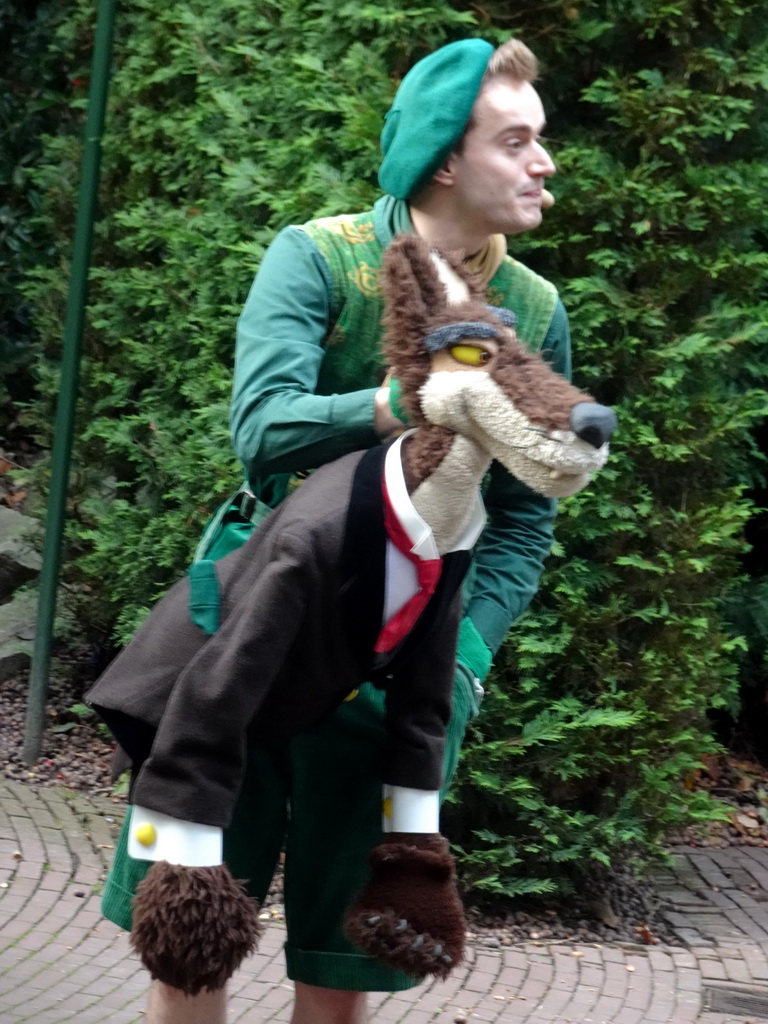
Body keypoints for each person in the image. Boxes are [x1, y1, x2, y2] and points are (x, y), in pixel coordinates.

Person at [100, 35, 568, 1024]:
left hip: (396, 670)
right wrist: (411, 400)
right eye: (516, 140)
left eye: (542, 140)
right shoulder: (317, 256)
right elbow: (262, 432)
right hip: (246, 639)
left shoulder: (532, 308)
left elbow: (524, 517)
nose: (545, 162)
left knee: (343, 964)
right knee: (191, 941)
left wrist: (468, 656)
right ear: (445, 157)